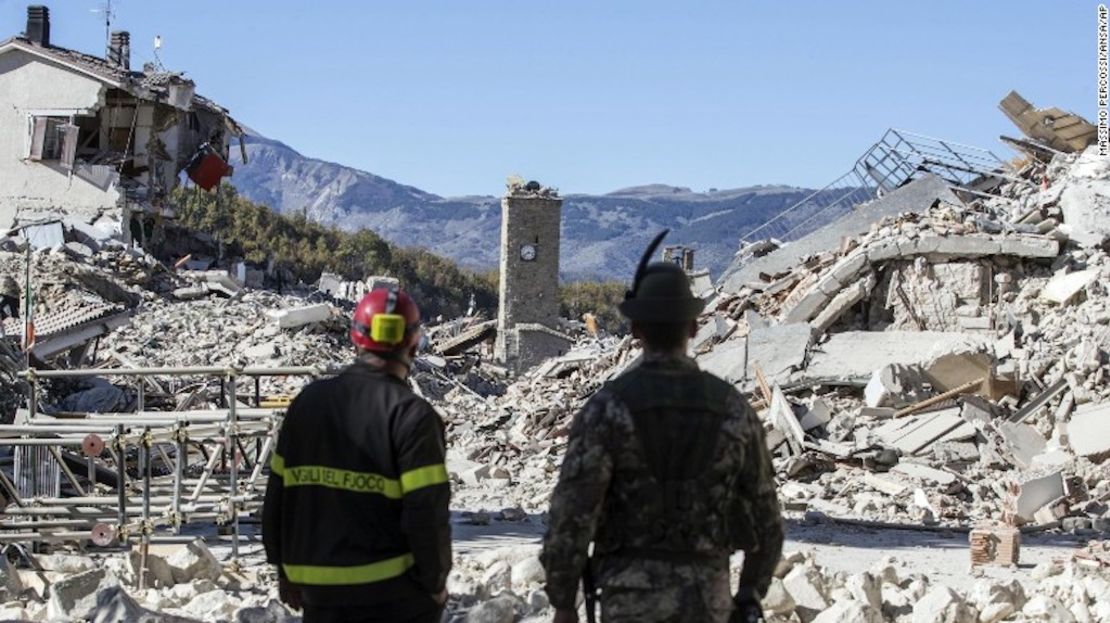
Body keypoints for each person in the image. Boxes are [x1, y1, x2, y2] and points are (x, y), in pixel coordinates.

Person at [540, 231, 784, 623]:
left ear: (636, 329)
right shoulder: (733, 410)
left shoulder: (607, 410)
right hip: (708, 600)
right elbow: (768, 523)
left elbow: (572, 515)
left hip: (628, 602)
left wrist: (564, 601)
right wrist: (749, 597)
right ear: (693, 327)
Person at [262, 288, 451, 623]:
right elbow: (426, 513)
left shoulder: (307, 403)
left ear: (355, 339)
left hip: (317, 592)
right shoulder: (413, 416)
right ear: (414, 343)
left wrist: (282, 569)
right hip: (391, 594)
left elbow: (277, 494)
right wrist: (436, 582)